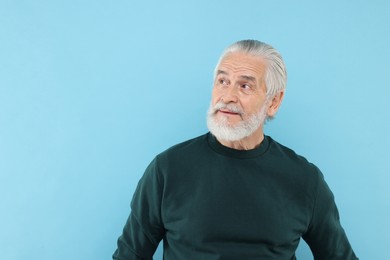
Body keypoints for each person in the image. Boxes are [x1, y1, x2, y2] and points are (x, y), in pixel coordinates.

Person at [113, 40, 358, 259]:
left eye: (245, 86)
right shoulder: (167, 170)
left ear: (273, 102)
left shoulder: (305, 180)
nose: (228, 96)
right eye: (223, 81)